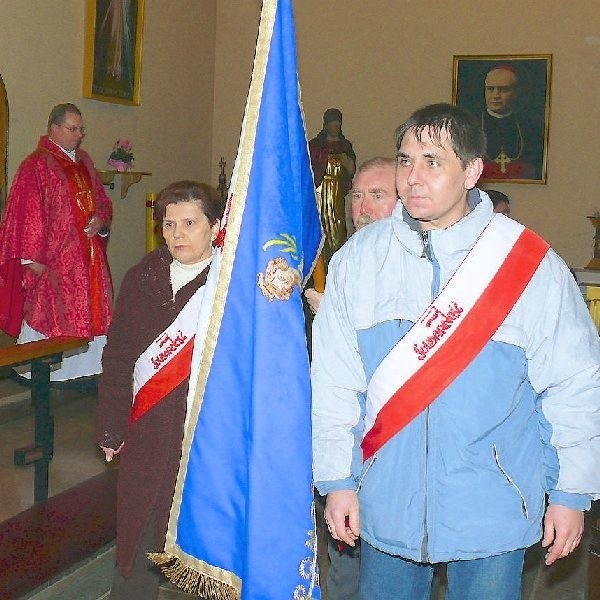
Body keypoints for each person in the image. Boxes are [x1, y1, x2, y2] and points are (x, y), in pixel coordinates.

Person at [311, 102, 600, 600]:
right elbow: (335, 382)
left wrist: (572, 492)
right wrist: (338, 480)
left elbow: (574, 383)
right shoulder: (358, 260)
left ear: (471, 171)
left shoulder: (528, 263)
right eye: (405, 161)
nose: (413, 178)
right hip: (387, 502)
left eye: (432, 161)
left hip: (492, 504)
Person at [95, 180, 224, 599]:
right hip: (147, 428)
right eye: (169, 225)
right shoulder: (142, 278)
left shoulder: (230, 285)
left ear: (215, 226)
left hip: (206, 434)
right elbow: (118, 357)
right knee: (139, 528)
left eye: (190, 223)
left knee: (202, 538)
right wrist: (111, 425)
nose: (178, 235)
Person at [0, 102, 113, 382]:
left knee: (90, 311)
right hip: (54, 261)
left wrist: (100, 219)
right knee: (50, 313)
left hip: (87, 257)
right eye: (72, 129)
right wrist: (31, 259)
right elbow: (27, 213)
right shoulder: (35, 165)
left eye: (80, 129)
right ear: (54, 129)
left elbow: (101, 200)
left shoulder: (84, 161)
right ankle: (37, 374)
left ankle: (83, 371)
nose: (79, 135)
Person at [305, 156, 396, 315]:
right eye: (357, 196)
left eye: (377, 196)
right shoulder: (343, 258)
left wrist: (332, 314)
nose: (364, 209)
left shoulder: (415, 259)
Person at [309, 108, 356, 265]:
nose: (335, 128)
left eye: (338, 125)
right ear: (326, 125)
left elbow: (351, 170)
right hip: (319, 191)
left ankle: (335, 262)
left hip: (336, 193)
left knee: (337, 227)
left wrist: (343, 158)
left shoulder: (345, 146)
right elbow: (309, 169)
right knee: (319, 226)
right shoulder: (315, 146)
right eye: (332, 125)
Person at [480, 65, 544, 181]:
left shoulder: (529, 127)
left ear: (516, 92)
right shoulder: (472, 125)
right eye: (490, 89)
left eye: (503, 90)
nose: (495, 96)